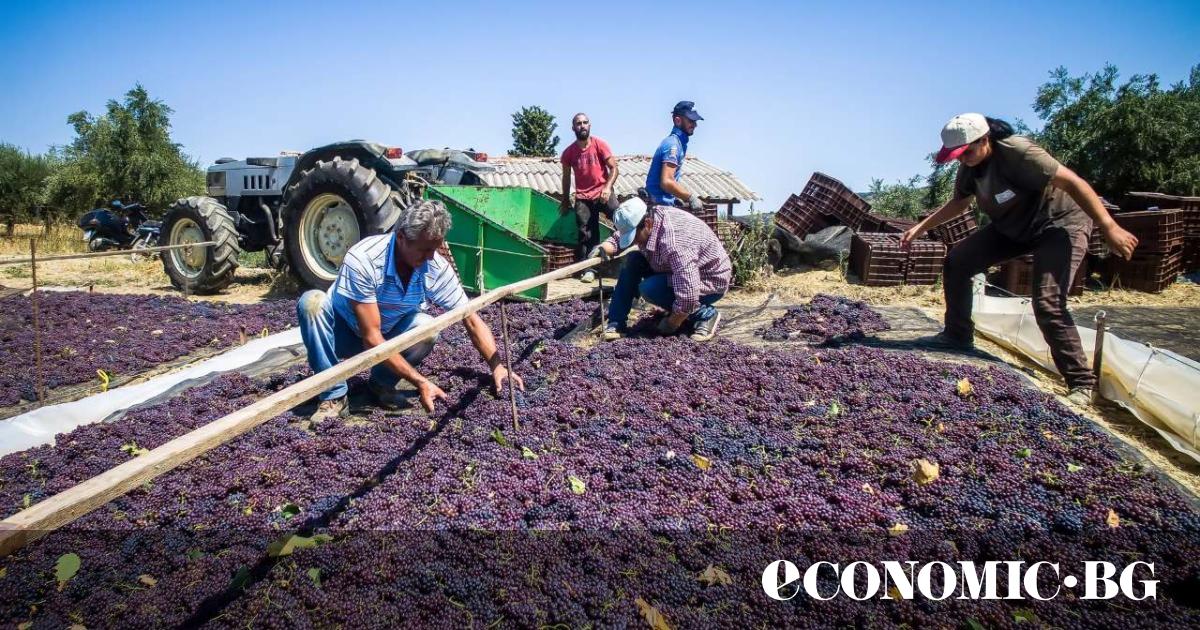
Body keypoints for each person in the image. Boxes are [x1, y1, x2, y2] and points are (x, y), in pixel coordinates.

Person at [901, 113, 1139, 404]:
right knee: (958, 262)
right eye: (957, 156)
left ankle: (1081, 382)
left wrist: (1109, 226)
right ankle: (957, 335)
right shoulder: (970, 167)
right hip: (1013, 226)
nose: (962, 159)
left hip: (1058, 223)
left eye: (966, 152)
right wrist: (920, 228)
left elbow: (1073, 182)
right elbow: (959, 203)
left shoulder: (1019, 152)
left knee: (1048, 302)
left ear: (984, 139)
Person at [296, 199, 523, 422]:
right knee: (312, 303)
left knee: (427, 328)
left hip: (387, 335)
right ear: (401, 238)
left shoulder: (434, 266)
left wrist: (498, 366)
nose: (431, 257)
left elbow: (470, 318)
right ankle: (333, 395)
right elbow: (371, 338)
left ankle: (381, 384)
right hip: (341, 334)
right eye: (424, 250)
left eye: (435, 248)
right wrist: (421, 382)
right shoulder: (364, 259)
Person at [590, 197, 731, 342]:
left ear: (647, 224)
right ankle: (616, 323)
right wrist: (605, 247)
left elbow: (688, 294)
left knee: (649, 288)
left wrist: (672, 323)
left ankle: (706, 314)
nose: (633, 242)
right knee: (633, 260)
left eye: (634, 237)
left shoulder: (674, 243)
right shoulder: (650, 217)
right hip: (674, 269)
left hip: (708, 280)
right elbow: (621, 235)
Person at [560, 113, 619, 284]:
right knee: (586, 234)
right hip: (583, 197)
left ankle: (626, 256)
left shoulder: (600, 145)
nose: (582, 126)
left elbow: (614, 169)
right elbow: (566, 177)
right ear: (573, 128)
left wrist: (607, 188)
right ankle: (590, 270)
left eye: (585, 122)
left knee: (621, 218)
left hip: (603, 192)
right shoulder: (569, 153)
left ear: (590, 125)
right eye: (578, 123)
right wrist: (565, 199)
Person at [645, 101, 707, 215]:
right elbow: (666, 182)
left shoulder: (679, 143)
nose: (695, 125)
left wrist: (676, 197)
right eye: (691, 121)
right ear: (678, 120)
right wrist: (690, 197)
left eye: (695, 121)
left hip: (663, 205)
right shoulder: (673, 145)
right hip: (659, 208)